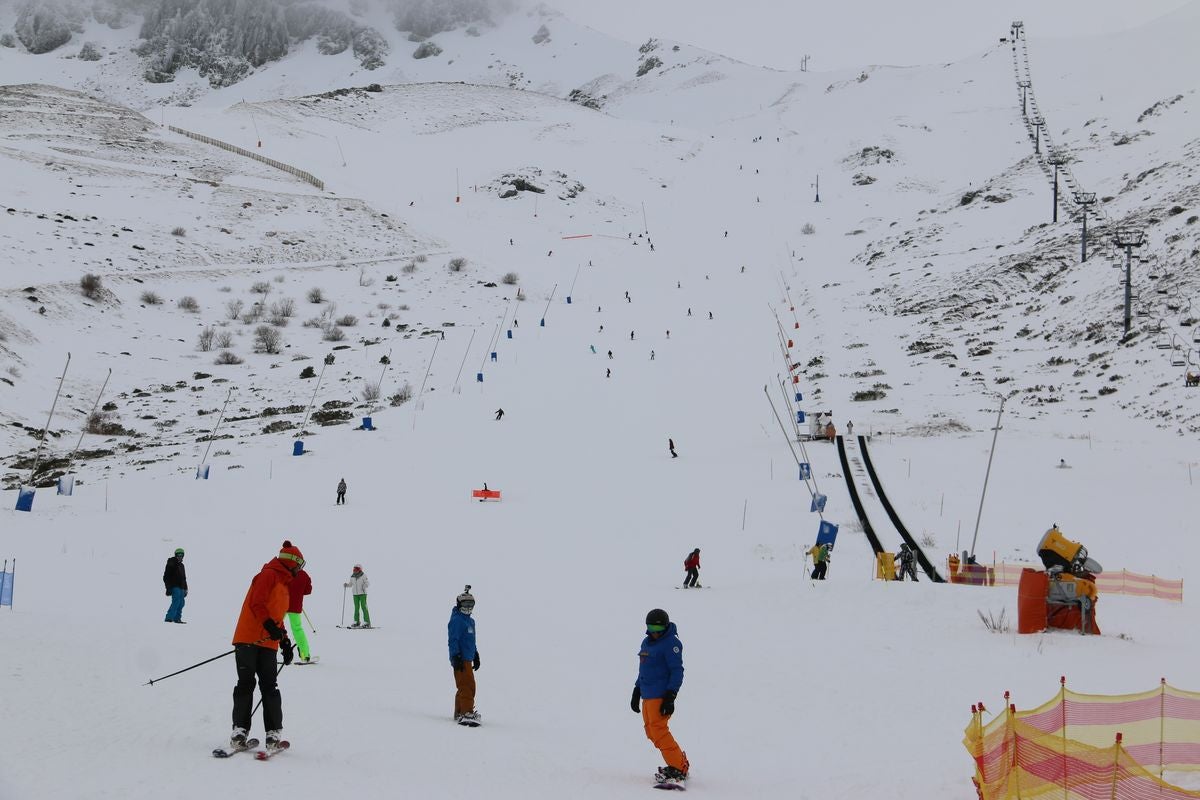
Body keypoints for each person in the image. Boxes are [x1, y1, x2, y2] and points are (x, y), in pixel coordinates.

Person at [229, 543, 303, 752]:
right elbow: (257, 603)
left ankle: (273, 733)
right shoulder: (268, 575)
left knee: (270, 686)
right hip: (248, 639)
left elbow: (277, 618)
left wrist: (285, 641)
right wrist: (270, 626)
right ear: (291, 562)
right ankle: (240, 730)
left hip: (268, 643)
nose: (300, 570)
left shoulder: (284, 585)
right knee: (246, 683)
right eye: (299, 565)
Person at [631, 608, 688, 788]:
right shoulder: (646, 643)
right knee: (651, 731)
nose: (654, 633)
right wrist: (636, 690)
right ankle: (679, 760)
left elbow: (677, 671)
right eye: (651, 628)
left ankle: (678, 767)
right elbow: (644, 669)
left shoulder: (671, 643)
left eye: (658, 629)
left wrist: (671, 696)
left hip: (660, 695)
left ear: (665, 627)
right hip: (647, 694)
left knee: (659, 730)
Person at [448, 585, 481, 725]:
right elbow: (453, 640)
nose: (468, 608)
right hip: (460, 659)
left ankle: (460, 711)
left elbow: (470, 640)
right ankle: (467, 713)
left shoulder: (470, 621)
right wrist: (455, 656)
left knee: (467, 685)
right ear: (459, 604)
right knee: (466, 686)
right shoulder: (457, 620)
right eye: (465, 604)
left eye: (471, 604)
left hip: (468, 658)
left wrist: (475, 654)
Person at [283, 541, 314, 662]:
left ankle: (267, 653)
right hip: (295, 607)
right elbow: (308, 590)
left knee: (276, 627)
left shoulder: (285, 573)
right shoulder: (304, 575)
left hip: (282, 605)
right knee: (297, 629)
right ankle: (305, 654)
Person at [163, 547, 187, 623]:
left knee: (182, 603)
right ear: (176, 555)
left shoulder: (182, 565)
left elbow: (184, 578)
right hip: (175, 586)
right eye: (178, 555)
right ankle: (169, 618)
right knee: (176, 601)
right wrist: (168, 587)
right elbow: (166, 576)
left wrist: (186, 588)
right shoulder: (172, 562)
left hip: (182, 587)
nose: (180, 556)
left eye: (181, 555)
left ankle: (177, 618)